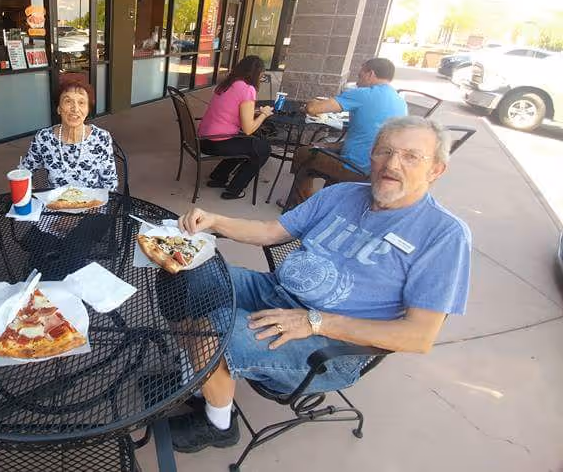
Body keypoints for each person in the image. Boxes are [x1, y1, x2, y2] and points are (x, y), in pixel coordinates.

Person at [167, 116, 471, 453]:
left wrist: (315, 321)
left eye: (411, 156)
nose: (392, 163)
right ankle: (197, 377)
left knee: (215, 329)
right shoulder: (342, 194)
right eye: (384, 151)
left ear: (436, 170)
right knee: (186, 270)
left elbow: (419, 336)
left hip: (331, 341)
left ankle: (218, 424)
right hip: (276, 292)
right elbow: (272, 231)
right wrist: (215, 221)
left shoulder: (444, 235)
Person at [281, 57, 407, 209]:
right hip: (377, 169)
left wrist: (314, 101)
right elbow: (367, 137)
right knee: (319, 151)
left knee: (303, 153)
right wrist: (331, 146)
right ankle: (325, 201)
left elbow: (313, 109)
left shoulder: (364, 94)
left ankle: (299, 206)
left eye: (360, 75)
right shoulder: (401, 102)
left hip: (354, 167)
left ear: (370, 74)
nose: (358, 81)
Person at [197, 56, 274, 199]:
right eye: (262, 76)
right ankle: (234, 190)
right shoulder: (247, 89)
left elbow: (230, 109)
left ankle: (219, 177)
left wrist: (254, 112)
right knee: (262, 149)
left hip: (203, 139)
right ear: (257, 74)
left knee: (246, 144)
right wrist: (264, 114)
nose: (261, 79)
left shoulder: (227, 83)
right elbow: (248, 129)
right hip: (217, 142)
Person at [20, 78, 118, 190]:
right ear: (58, 109)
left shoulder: (101, 138)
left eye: (81, 103)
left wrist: (101, 205)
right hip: (55, 205)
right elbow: (24, 172)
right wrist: (31, 197)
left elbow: (110, 183)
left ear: (87, 110)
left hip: (93, 205)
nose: (75, 109)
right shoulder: (44, 138)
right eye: (68, 101)